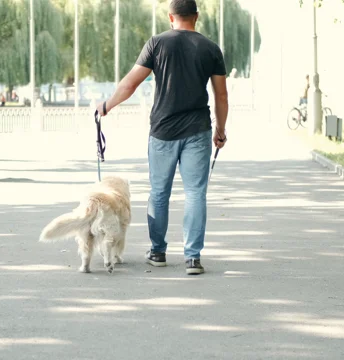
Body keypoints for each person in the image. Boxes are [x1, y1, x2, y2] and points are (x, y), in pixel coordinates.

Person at [96, 0, 228, 275]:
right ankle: (193, 258)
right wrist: (220, 130)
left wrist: (106, 106)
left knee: (159, 193)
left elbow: (131, 83)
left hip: (163, 131)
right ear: (197, 17)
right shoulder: (211, 48)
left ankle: (157, 252)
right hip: (198, 130)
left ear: (171, 17)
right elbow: (221, 95)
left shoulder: (157, 44)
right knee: (195, 194)